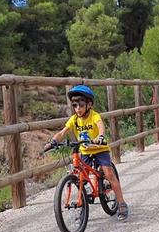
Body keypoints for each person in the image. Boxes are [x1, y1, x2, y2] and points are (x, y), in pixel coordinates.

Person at [44, 85, 128, 221]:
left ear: (89, 104)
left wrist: (100, 136)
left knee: (108, 173)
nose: (78, 108)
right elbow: (63, 132)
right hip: (85, 150)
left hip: (100, 149)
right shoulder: (74, 119)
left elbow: (100, 126)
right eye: (75, 105)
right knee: (78, 176)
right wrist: (53, 141)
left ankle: (121, 203)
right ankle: (83, 201)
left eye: (81, 105)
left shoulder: (94, 116)